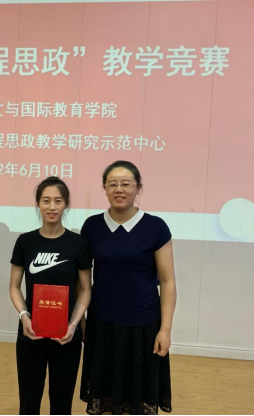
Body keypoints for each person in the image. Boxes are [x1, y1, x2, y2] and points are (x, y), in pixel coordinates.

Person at [80, 161, 177, 416]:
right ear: (104, 188)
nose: (119, 189)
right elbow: (82, 281)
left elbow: (168, 281)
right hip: (102, 323)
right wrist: (81, 322)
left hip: (143, 326)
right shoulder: (92, 226)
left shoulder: (155, 227)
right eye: (112, 184)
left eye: (126, 184)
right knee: (105, 399)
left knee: (138, 401)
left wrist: (165, 329)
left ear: (138, 188)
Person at [10, 177, 93, 415]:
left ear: (66, 204)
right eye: (46, 200)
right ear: (38, 204)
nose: (52, 207)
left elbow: (85, 289)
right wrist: (24, 316)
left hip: (66, 337)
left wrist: (73, 325)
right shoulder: (25, 241)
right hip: (31, 334)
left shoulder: (78, 243)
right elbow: (14, 286)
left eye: (58, 201)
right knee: (28, 402)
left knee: (61, 404)